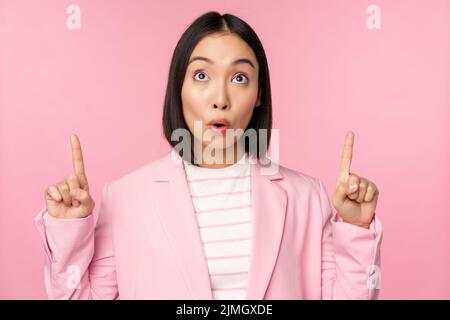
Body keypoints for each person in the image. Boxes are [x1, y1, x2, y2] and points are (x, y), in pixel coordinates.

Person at [35, 11, 382, 300]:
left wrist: (355, 228)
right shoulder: (124, 197)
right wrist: (70, 230)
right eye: (201, 75)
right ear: (179, 88)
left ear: (258, 94)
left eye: (240, 78)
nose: (220, 98)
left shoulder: (307, 197)